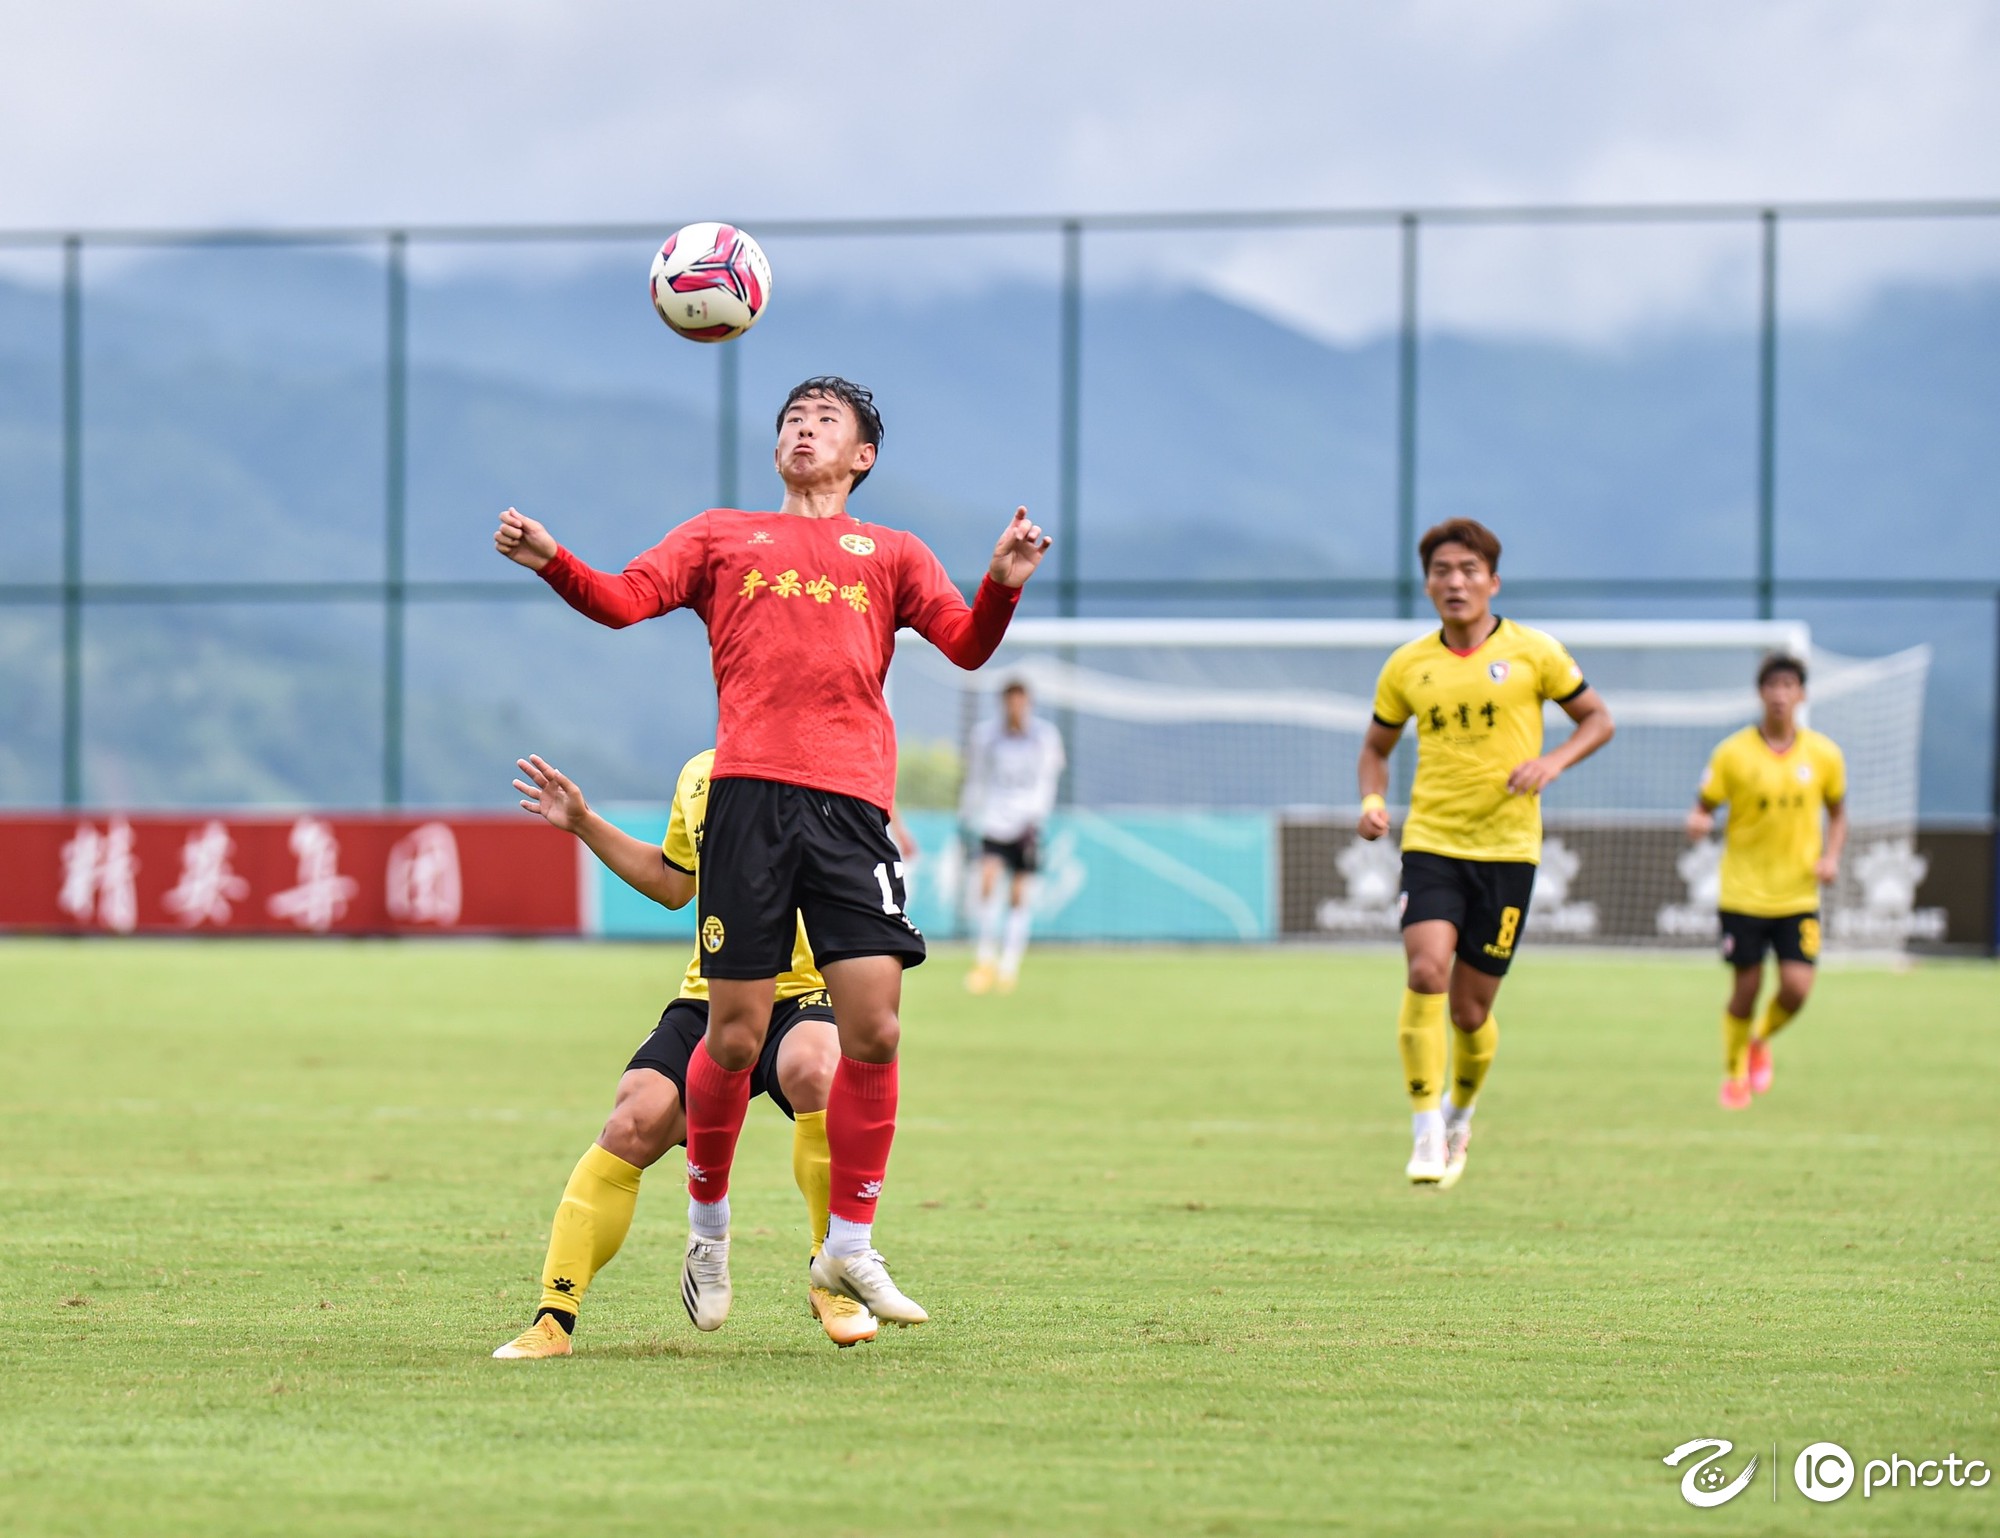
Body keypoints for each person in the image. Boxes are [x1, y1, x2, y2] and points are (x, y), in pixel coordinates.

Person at [494, 375, 1047, 1332]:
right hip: (748, 801)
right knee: (733, 1037)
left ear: (862, 456)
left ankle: (849, 1247)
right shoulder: (721, 535)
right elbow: (623, 602)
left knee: (876, 1030)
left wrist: (1000, 581)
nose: (803, 428)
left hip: (853, 810)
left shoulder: (894, 552)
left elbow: (965, 646)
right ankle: (708, 1228)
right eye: (792, 417)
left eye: (825, 419)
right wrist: (554, 561)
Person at [492, 750, 878, 1358]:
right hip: (714, 995)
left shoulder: (827, 767)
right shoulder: (700, 776)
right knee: (632, 1119)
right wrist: (585, 822)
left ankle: (832, 1276)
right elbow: (673, 884)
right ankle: (553, 1320)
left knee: (815, 1069)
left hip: (800, 994)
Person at [1357, 519, 1615, 1187]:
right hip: (1432, 843)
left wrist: (1552, 762)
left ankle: (1460, 1113)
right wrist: (1373, 800)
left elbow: (1598, 719)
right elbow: (1376, 749)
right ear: (1427, 585)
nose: (1455, 581)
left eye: (1468, 570)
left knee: (1470, 1012)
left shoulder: (1535, 652)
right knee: (1425, 972)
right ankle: (1425, 1131)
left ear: (1492, 582)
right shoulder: (1407, 666)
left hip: (1508, 852)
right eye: (1442, 570)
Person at [1686, 653, 1847, 1110]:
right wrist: (1698, 821)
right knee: (1746, 988)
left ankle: (1759, 1039)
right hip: (1744, 893)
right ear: (1761, 693)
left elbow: (1838, 814)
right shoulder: (1732, 753)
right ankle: (1735, 1073)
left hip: (1798, 895)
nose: (1780, 694)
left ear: (1802, 695)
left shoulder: (1824, 754)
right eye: (1772, 686)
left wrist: (1831, 857)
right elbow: (1703, 807)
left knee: (1797, 990)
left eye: (1788, 686)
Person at [960, 680, 1066, 994]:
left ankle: (1009, 964)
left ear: (1028, 703)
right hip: (994, 820)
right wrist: (969, 814)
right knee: (987, 881)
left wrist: (1037, 816)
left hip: (1027, 823)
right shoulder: (985, 737)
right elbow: (977, 778)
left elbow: (1048, 779)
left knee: (1019, 893)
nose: (1015, 708)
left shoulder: (1044, 737)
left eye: (1021, 701)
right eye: (1010, 701)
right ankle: (984, 959)